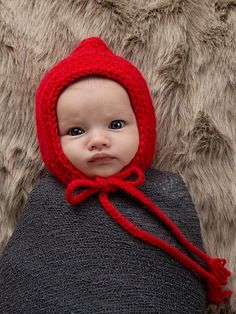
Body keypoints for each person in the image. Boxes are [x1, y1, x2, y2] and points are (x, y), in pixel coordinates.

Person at [0, 37, 231, 313]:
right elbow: (26, 273)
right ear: (52, 140)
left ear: (142, 126)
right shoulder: (48, 198)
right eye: (76, 131)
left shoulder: (166, 191)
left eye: (116, 124)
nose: (98, 140)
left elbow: (180, 270)